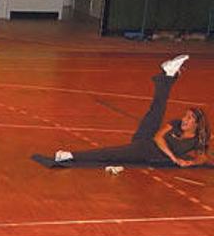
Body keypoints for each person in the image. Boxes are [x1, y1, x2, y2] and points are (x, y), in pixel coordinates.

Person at [54, 55, 210, 168]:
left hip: (147, 152)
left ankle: (169, 75)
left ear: (197, 124)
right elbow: (158, 138)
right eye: (185, 116)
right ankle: (169, 74)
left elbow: (203, 157)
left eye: (189, 118)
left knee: (113, 154)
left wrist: (191, 162)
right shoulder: (175, 124)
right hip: (148, 143)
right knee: (157, 110)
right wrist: (175, 159)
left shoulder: (198, 139)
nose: (184, 119)